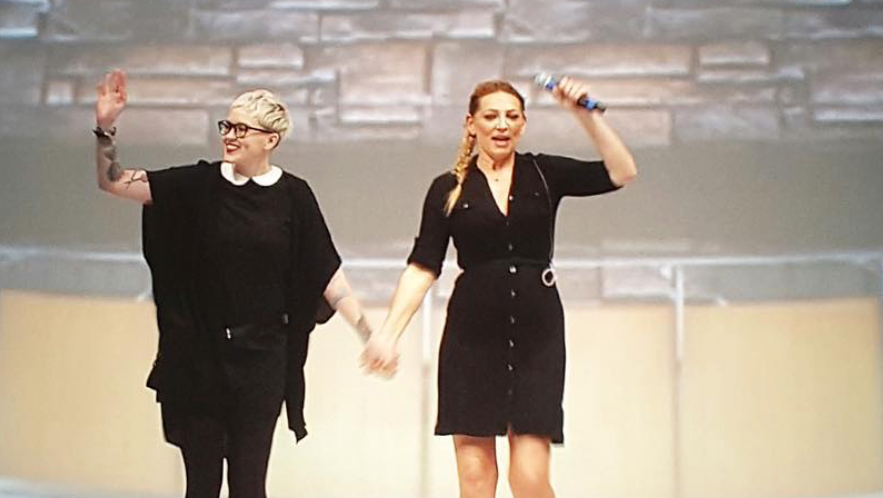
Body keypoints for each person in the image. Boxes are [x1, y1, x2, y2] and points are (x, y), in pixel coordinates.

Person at [92, 70, 371, 498]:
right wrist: (105, 127)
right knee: (201, 486)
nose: (230, 135)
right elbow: (113, 181)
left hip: (261, 362)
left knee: (249, 485)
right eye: (227, 125)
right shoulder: (197, 185)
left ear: (271, 139)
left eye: (242, 129)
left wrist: (367, 332)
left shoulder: (294, 195)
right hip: (200, 360)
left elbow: (326, 273)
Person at [361, 78, 637, 498]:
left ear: (523, 124)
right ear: (471, 124)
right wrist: (388, 334)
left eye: (512, 116)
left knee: (528, 477)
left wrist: (585, 115)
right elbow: (423, 266)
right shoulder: (448, 187)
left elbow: (622, 172)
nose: (501, 125)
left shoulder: (544, 172)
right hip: (471, 339)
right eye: (491, 116)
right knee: (476, 478)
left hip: (537, 338)